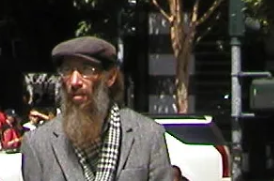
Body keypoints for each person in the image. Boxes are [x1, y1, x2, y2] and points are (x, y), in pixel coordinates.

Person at [21, 37, 172, 181]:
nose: (74, 82)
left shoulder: (148, 135)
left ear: (110, 77)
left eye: (87, 70)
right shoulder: (38, 144)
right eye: (67, 70)